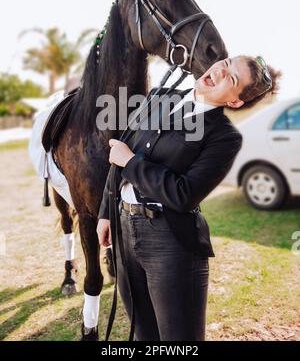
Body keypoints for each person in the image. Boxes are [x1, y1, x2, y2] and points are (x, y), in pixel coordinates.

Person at [97, 55, 281, 341]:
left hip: (170, 244)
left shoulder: (224, 138)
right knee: (141, 333)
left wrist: (131, 162)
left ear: (234, 101)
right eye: (228, 62)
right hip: (123, 229)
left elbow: (183, 194)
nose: (220, 70)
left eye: (231, 78)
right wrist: (106, 212)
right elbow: (121, 149)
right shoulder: (160, 96)